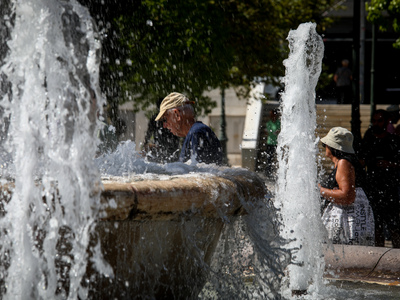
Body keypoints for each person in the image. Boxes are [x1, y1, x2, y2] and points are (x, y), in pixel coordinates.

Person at [318, 127, 375, 246]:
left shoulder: (344, 163)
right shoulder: (345, 162)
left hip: (348, 223)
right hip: (353, 221)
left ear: (332, 147)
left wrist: (320, 190)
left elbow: (347, 196)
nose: (324, 147)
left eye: (325, 145)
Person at [359, 110, 400, 248]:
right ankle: (378, 256)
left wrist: (390, 164)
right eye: (374, 120)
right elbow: (361, 159)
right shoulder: (369, 138)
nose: (376, 123)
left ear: (387, 121)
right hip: (373, 187)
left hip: (390, 188)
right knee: (376, 225)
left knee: (394, 225)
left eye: (380, 120)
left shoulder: (393, 141)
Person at [155, 92, 223, 165]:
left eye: (165, 119)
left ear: (177, 114)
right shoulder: (195, 132)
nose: (164, 125)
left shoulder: (196, 133)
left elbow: (200, 173)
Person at [142, 98, 181, 163]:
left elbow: (148, 133)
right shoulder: (172, 117)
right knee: (174, 166)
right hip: (172, 146)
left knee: (158, 166)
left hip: (160, 147)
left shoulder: (155, 118)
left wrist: (145, 144)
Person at [265, 108, 281, 178]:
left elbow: (279, 130)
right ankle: (268, 171)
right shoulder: (269, 123)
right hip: (269, 142)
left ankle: (274, 170)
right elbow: (268, 131)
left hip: (276, 142)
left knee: (275, 158)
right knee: (269, 158)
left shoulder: (278, 123)